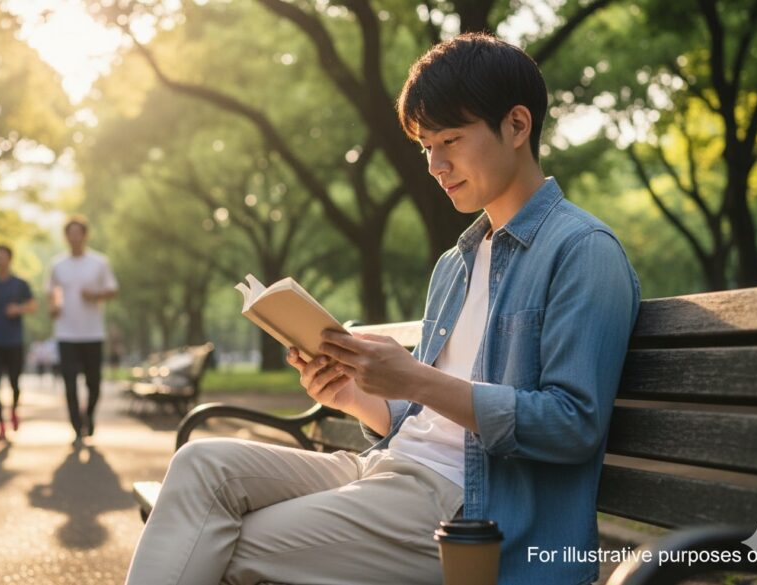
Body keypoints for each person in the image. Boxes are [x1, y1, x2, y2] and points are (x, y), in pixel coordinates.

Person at [125, 33, 641, 585]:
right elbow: (428, 421)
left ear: (517, 126)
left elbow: (573, 425)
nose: (435, 164)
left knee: (219, 539)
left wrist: (415, 379)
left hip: (474, 514)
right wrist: (354, 397)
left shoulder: (582, 251)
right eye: (425, 147)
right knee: (200, 468)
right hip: (390, 472)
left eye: (450, 139)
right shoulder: (457, 263)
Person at [47, 215, 118, 444]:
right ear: (66, 237)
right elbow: (52, 292)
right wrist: (54, 306)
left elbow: (112, 290)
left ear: (85, 235)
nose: (75, 237)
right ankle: (77, 427)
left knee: (94, 383)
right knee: (69, 382)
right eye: (71, 233)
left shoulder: (99, 262)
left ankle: (89, 416)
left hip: (92, 332)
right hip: (66, 332)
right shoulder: (58, 265)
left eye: (79, 232)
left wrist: (95, 295)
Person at [0, 245, 36, 442]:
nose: (1, 260)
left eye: (4, 257)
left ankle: (13, 410)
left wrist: (18, 309)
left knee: (14, 383)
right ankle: (0, 425)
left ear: (10, 259)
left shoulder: (20, 284)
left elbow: (32, 305)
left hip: (14, 341)